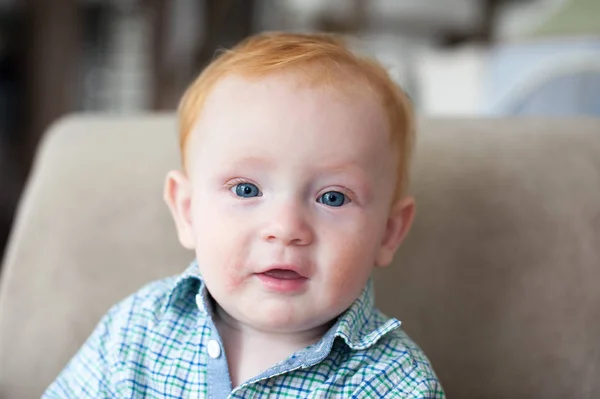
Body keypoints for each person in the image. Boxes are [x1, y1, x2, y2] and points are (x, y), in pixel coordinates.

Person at [43, 32, 445, 398]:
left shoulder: (395, 383)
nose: (286, 229)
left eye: (333, 198)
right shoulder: (136, 331)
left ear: (389, 233)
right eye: (246, 189)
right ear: (187, 211)